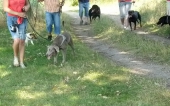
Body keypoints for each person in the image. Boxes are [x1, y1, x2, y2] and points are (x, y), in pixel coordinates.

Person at [3, 0, 30, 68]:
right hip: (11, 20)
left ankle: (21, 62)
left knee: (22, 40)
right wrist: (17, 13)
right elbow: (5, 8)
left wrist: (27, 7)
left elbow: (28, 4)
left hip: (22, 19)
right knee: (17, 40)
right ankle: (15, 58)